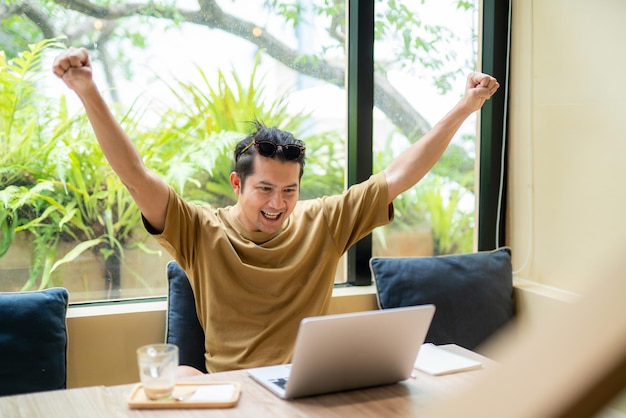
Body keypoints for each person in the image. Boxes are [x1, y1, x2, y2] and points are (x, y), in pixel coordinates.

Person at [52, 47, 499, 376]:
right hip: (235, 394)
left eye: (289, 190)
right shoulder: (199, 228)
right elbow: (135, 175)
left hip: (309, 391)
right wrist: (87, 90)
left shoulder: (324, 220)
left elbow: (401, 172)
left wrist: (467, 106)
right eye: (264, 189)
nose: (277, 204)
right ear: (236, 184)